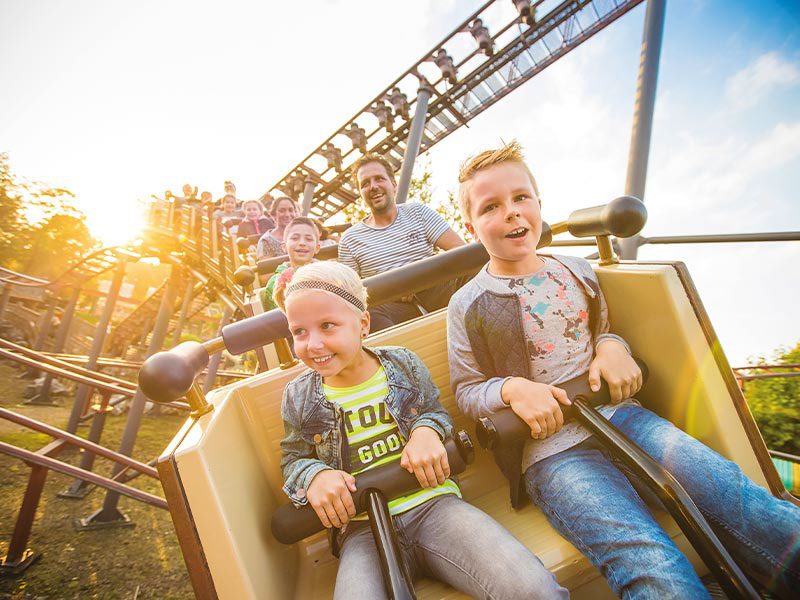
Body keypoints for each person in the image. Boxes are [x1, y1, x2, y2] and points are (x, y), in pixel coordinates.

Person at [447, 141, 800, 599]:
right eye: (491, 207)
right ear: (472, 227)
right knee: (646, 559)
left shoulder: (578, 270)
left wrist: (613, 347)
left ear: (539, 204)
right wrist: (511, 389)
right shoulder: (467, 303)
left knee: (735, 496)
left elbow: (602, 332)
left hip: (624, 417)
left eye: (520, 198)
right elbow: (468, 389)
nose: (511, 212)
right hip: (551, 454)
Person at [274, 261, 567, 600]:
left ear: (363, 323)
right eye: (299, 332)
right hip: (362, 529)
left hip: (433, 506)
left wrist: (426, 432)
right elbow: (293, 460)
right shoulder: (299, 397)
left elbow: (434, 414)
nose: (312, 344)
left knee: (533, 589)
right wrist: (315, 476)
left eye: (327, 326)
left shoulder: (403, 364)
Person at [337, 154, 466, 332]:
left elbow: (461, 252)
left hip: (436, 289)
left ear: (393, 184)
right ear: (360, 193)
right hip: (391, 306)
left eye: (379, 179)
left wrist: (418, 281)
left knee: (474, 271)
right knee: (366, 312)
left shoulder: (418, 212)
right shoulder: (350, 239)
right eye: (365, 183)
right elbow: (350, 293)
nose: (373, 186)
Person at [260, 217, 321, 311]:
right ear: (284, 246)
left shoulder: (326, 275)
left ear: (317, 248)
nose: (302, 243)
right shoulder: (276, 282)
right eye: (295, 238)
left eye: (309, 239)